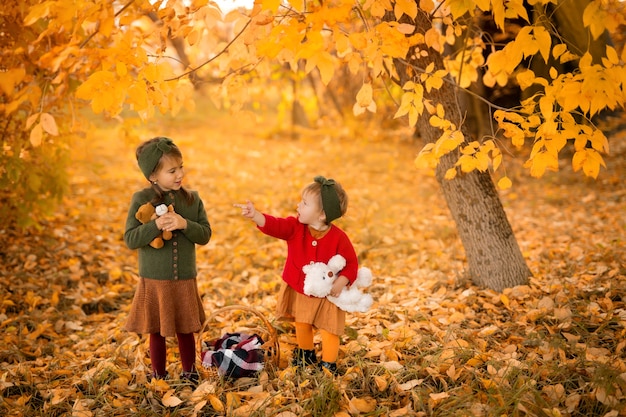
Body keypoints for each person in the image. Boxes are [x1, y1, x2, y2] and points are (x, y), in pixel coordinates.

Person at [235, 176, 358, 375]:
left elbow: (352, 263)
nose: (298, 205)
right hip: (300, 288)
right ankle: (306, 354)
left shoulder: (339, 238)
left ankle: (328, 365)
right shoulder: (295, 227)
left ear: (321, 215)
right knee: (302, 322)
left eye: (305, 203)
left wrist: (342, 281)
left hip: (328, 294)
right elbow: (275, 225)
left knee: (329, 329)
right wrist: (255, 215)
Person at [124, 137, 211, 384]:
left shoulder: (191, 199)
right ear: (153, 175)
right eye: (172, 170)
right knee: (157, 330)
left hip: (184, 277)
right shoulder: (141, 199)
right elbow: (130, 239)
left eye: (181, 167)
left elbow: (205, 234)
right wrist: (154, 226)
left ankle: (189, 372)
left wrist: (185, 224)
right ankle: (158, 374)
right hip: (154, 279)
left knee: (185, 328)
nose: (180, 174)